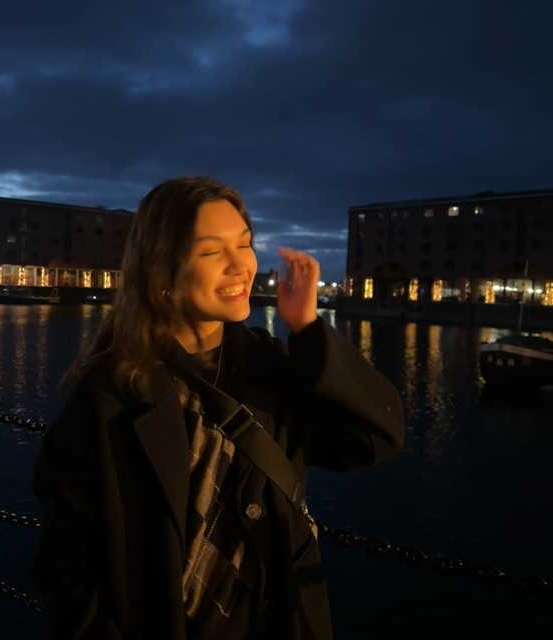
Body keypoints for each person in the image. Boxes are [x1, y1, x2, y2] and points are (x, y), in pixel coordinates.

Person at [29, 176, 405, 639]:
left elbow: (376, 439)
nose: (240, 265)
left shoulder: (268, 368)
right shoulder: (110, 394)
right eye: (212, 252)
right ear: (163, 273)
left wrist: (309, 332)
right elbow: (69, 568)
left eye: (244, 244)